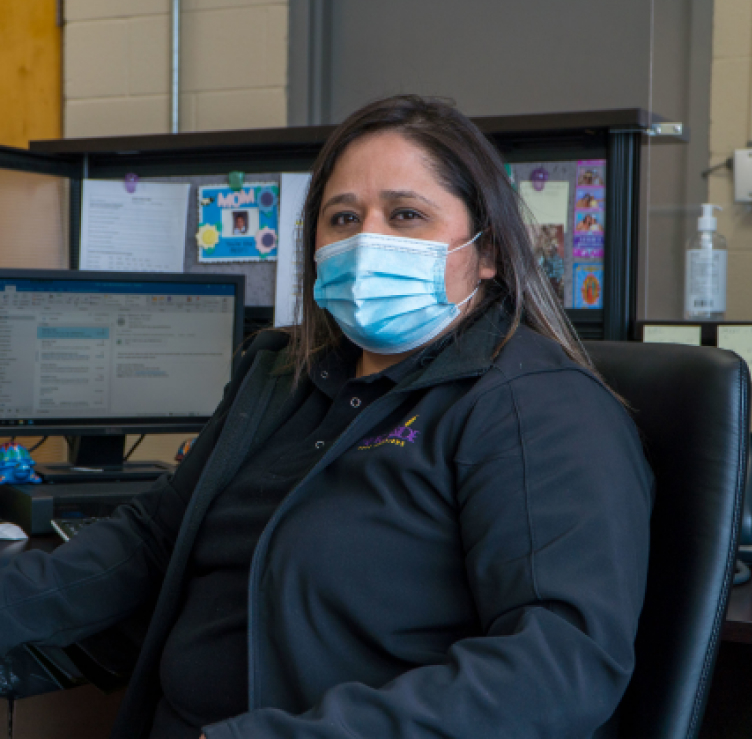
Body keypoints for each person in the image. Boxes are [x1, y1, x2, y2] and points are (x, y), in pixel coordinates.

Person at [0, 95, 653, 739]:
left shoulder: (534, 405)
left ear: (486, 252)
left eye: (406, 215)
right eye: (343, 218)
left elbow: (559, 666)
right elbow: (151, 542)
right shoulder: (281, 374)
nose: (368, 241)